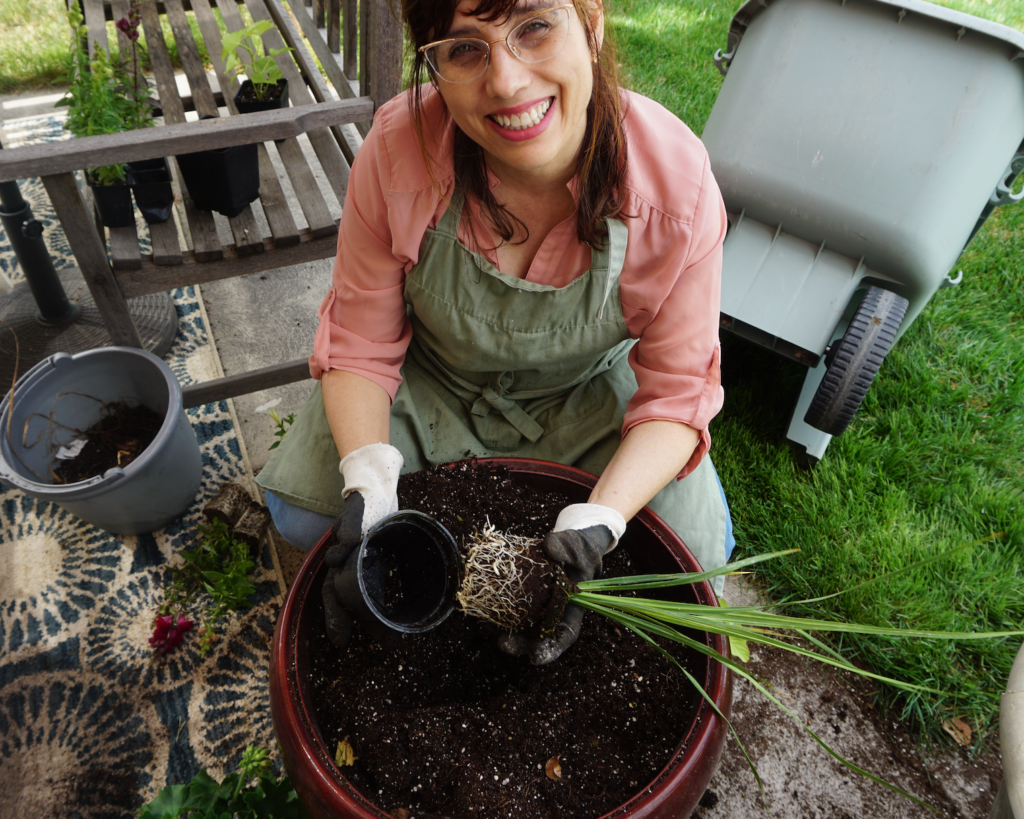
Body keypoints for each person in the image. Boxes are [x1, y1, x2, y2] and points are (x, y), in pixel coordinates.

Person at [256, 0, 735, 663]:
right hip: (434, 381)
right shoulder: (397, 154)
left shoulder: (675, 188)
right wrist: (368, 478)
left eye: (533, 27)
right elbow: (361, 343)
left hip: (587, 398)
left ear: (591, 23)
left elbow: (680, 394)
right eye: (464, 48)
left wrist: (601, 519)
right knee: (305, 515)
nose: (506, 83)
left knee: (693, 560)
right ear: (435, 63)